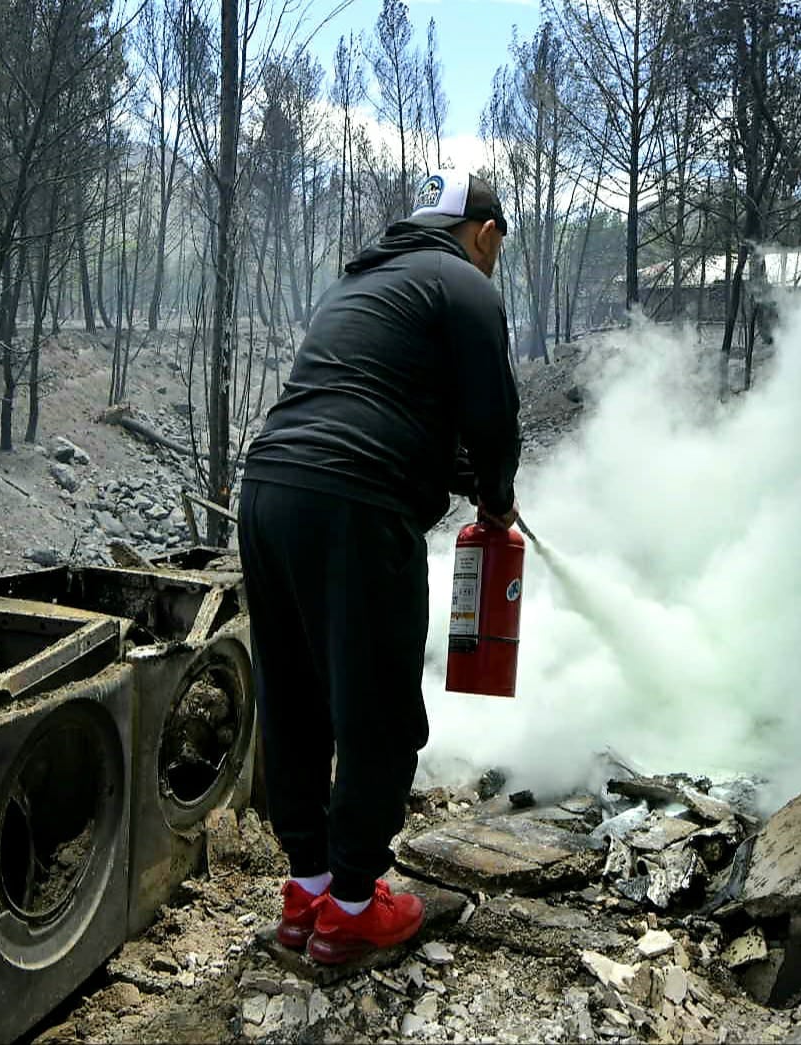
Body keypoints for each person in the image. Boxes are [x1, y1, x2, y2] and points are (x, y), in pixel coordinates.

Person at [238, 171, 523, 965]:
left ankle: (309, 890)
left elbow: (376, 395)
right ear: (486, 233)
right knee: (378, 705)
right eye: (498, 247)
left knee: (293, 694)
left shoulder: (365, 280)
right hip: (352, 504)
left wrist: (449, 463)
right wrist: (497, 495)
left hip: (267, 491)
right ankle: (358, 906)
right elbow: (493, 414)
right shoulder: (464, 283)